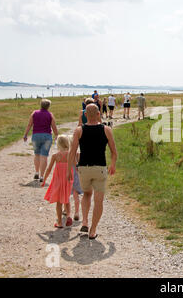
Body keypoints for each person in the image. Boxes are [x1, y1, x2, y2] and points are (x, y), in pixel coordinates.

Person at [68, 104, 118, 240]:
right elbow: (114, 152)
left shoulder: (79, 130)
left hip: (84, 168)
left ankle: (84, 222)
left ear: (85, 115)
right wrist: (112, 165)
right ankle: (93, 230)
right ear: (98, 114)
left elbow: (72, 153)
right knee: (99, 200)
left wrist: (69, 170)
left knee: (86, 194)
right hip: (100, 168)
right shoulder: (106, 130)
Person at [41, 135, 74, 228]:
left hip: (58, 180)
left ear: (58, 144)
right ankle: (68, 216)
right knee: (66, 198)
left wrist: (44, 179)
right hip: (68, 179)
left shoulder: (55, 156)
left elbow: (49, 169)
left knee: (59, 201)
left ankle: (59, 222)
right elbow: (76, 166)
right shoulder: (70, 154)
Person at [24, 99, 58, 182]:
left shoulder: (34, 113)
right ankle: (42, 176)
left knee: (36, 154)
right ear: (48, 106)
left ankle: (36, 172)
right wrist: (56, 134)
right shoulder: (50, 115)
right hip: (47, 136)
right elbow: (53, 126)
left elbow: (29, 124)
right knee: (44, 156)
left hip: (36, 136)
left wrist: (25, 134)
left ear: (41, 105)